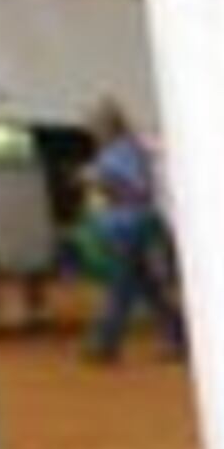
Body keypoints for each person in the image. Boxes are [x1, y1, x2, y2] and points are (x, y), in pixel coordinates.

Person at [79, 99, 184, 365]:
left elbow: (138, 190)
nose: (92, 129)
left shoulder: (123, 151)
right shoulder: (117, 150)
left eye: (95, 123)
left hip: (131, 227)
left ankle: (105, 343)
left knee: (121, 287)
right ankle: (180, 338)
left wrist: (102, 182)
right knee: (147, 289)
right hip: (125, 228)